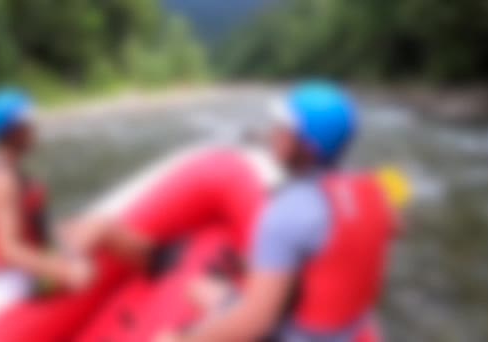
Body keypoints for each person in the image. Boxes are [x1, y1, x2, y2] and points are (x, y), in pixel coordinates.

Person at [155, 82, 401, 342]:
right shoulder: (375, 191)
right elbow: (396, 225)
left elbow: (255, 322)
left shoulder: (289, 210)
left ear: (307, 146)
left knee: (191, 298)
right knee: (203, 290)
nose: (274, 133)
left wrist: (183, 339)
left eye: (284, 129)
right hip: (346, 330)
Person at [0, 88, 90, 292]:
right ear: (13, 130)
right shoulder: (1, 180)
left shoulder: (5, 170)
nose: (33, 127)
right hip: (19, 279)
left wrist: (60, 242)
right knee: (99, 231)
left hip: (25, 263)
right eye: (28, 123)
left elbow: (32, 225)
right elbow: (8, 249)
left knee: (89, 228)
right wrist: (65, 270)